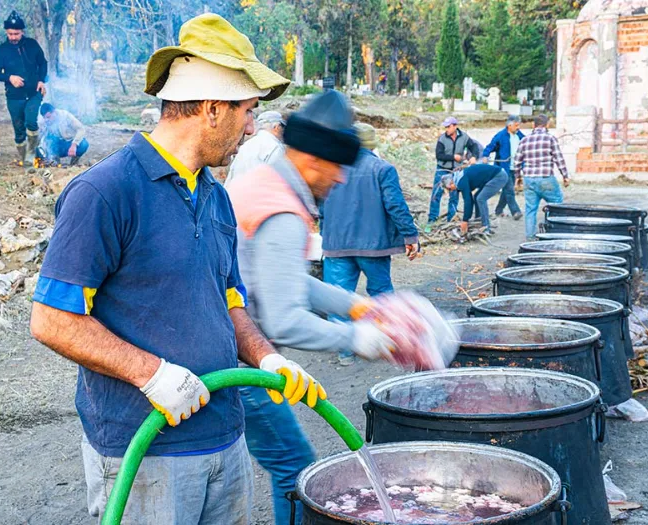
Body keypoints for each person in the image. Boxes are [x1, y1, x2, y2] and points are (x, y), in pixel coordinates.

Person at [29, 14, 313, 525]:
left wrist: (267, 359)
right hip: (147, 454)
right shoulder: (105, 193)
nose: (252, 128)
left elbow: (227, 299)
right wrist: (151, 373)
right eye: (247, 112)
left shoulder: (216, 197)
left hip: (226, 441)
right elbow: (52, 321)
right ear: (210, 109)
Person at [226, 92, 421, 525]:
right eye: (337, 169)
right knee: (295, 469)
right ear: (314, 161)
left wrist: (357, 306)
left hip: (231, 348)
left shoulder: (265, 185)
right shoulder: (281, 211)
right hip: (239, 357)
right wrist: (360, 338)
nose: (340, 180)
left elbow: (283, 282)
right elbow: (282, 318)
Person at [321, 123, 420, 366]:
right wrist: (410, 236)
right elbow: (395, 205)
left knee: (337, 296)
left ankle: (344, 350)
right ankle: (385, 341)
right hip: (373, 246)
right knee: (381, 294)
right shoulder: (382, 168)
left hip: (337, 244)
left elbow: (321, 206)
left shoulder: (331, 168)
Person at [0, 11, 48, 164]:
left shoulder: (32, 44)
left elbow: (43, 63)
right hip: (14, 96)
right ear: (6, 32)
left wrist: (42, 81)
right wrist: (9, 77)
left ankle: (31, 156)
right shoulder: (1, 50)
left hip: (33, 92)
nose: (13, 37)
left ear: (22, 32)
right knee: (19, 131)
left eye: (16, 34)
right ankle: (25, 158)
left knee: (31, 121)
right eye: (10, 34)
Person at [512, 114, 570, 240]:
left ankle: (530, 238)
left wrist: (518, 177)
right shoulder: (550, 139)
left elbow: (516, 162)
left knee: (530, 209)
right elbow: (559, 159)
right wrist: (565, 176)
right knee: (556, 206)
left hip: (529, 179)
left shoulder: (524, 140)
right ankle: (553, 234)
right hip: (546, 178)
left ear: (533, 125)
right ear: (547, 124)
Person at [429, 117, 480, 229]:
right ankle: (432, 220)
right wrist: (453, 157)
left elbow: (474, 147)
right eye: (446, 127)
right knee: (436, 194)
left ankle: (450, 220)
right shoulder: (442, 139)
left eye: (448, 126)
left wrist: (474, 157)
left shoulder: (464, 137)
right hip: (442, 170)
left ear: (455, 126)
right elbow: (439, 155)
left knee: (454, 196)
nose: (446, 129)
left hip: (456, 171)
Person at [441, 163, 508, 235]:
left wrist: (465, 220)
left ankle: (486, 227)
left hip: (499, 176)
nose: (451, 190)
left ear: (451, 183)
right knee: (477, 196)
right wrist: (466, 218)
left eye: (449, 189)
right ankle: (479, 220)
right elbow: (470, 199)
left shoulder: (461, 181)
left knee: (480, 199)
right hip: (495, 176)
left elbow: (468, 201)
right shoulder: (460, 177)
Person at [482, 115, 524, 219]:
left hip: (515, 167)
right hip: (503, 168)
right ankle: (516, 211)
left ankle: (498, 210)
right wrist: (485, 155)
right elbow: (490, 146)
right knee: (509, 189)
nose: (518, 127)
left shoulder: (519, 135)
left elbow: (526, 143)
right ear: (509, 125)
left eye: (519, 125)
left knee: (506, 190)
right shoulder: (501, 135)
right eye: (516, 125)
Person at [226, 110, 285, 182]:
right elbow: (277, 180)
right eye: (282, 127)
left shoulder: (247, 145)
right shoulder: (275, 147)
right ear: (277, 127)